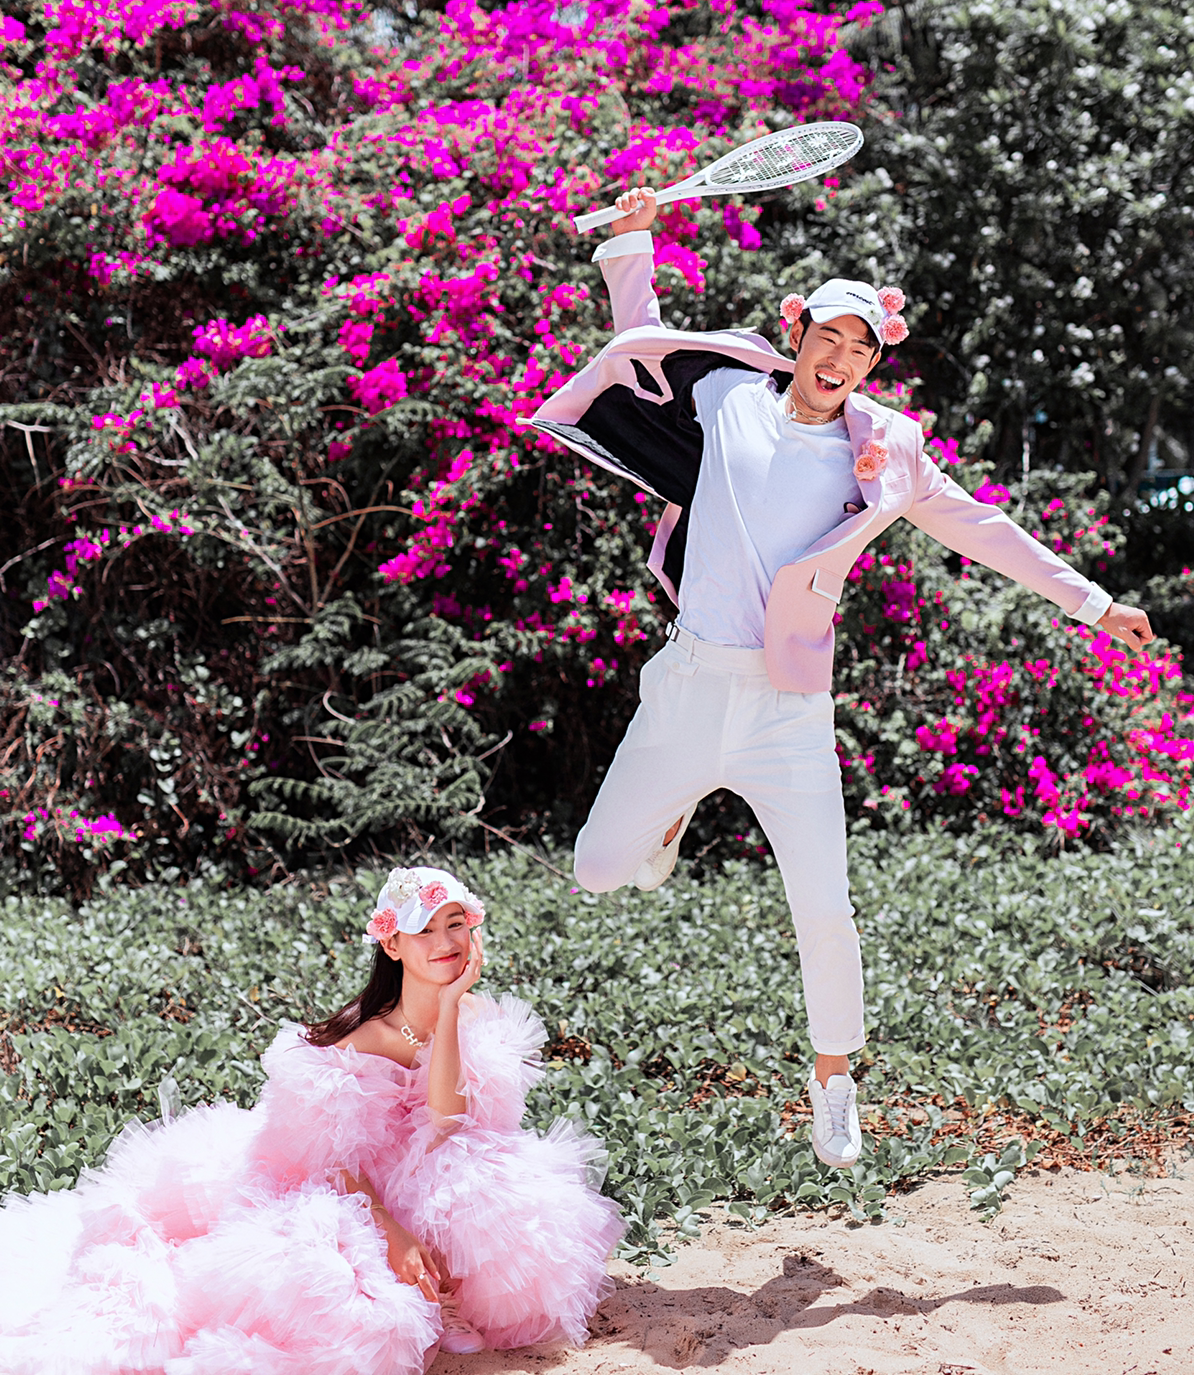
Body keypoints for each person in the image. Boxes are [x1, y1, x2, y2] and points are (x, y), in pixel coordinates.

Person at [532, 186, 1154, 1171]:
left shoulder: (886, 449)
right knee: (599, 869)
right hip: (689, 682)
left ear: (872, 360)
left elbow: (982, 529)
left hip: (789, 705)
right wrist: (631, 240)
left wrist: (1092, 602)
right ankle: (669, 819)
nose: (843, 359)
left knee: (824, 904)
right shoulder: (726, 392)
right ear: (798, 332)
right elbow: (639, 345)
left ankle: (833, 1082)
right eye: (830, 336)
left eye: (863, 348)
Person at [0, 865, 623, 1374]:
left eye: (455, 924)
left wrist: (453, 1007)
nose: (445, 942)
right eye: (424, 929)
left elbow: (449, 1118)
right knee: (348, 1302)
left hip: (432, 1171)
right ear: (392, 944)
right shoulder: (357, 1038)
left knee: (479, 1168)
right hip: (346, 1184)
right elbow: (331, 1164)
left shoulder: (475, 1012)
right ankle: (422, 1298)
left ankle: (450, 1293)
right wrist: (391, 1232)